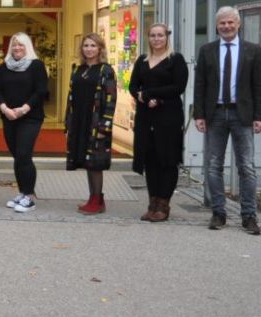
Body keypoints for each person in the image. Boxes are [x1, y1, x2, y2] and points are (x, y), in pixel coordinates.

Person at [194, 6, 261, 235]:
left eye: (230, 22)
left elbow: (258, 86)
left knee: (247, 166)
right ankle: (218, 212)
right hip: (214, 114)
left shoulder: (252, 50)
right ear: (217, 26)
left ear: (238, 24)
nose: (226, 26)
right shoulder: (207, 50)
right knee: (213, 165)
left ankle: (249, 216)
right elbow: (200, 84)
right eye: (222, 23)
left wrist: (259, 116)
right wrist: (199, 114)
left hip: (242, 114)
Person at [130, 23, 189, 222]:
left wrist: (151, 95)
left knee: (167, 160)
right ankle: (152, 204)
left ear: (167, 37)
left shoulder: (176, 59)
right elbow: (133, 86)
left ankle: (163, 205)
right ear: (148, 38)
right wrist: (142, 96)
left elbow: (178, 87)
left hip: (168, 116)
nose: (156, 39)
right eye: (153, 35)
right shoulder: (142, 60)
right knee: (150, 160)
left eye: (160, 35)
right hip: (145, 116)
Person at [0, 32, 49, 213]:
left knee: (24, 154)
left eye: (21, 44)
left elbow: (41, 91)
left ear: (28, 47)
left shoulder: (36, 65)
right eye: (14, 44)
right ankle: (22, 192)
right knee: (17, 156)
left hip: (30, 117)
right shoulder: (4, 67)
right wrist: (5, 108)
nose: (17, 48)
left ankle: (30, 197)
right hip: (9, 116)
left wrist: (24, 109)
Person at [64, 33, 117, 214]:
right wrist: (68, 123)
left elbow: (111, 99)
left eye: (93, 46)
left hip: (96, 121)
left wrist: (105, 125)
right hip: (79, 120)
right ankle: (93, 198)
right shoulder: (77, 69)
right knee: (87, 161)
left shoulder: (106, 70)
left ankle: (97, 201)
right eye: (86, 45)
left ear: (100, 48)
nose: (89, 49)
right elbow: (70, 98)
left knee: (95, 162)